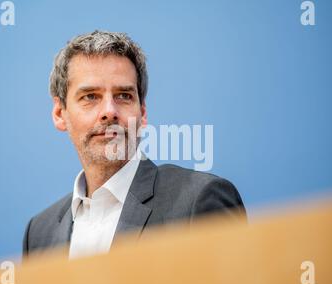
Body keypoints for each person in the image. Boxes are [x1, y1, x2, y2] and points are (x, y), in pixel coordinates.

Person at [23, 30, 246, 259]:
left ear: (142, 113)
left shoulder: (199, 200)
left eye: (124, 96)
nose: (110, 111)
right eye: (90, 96)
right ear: (60, 113)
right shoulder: (39, 233)